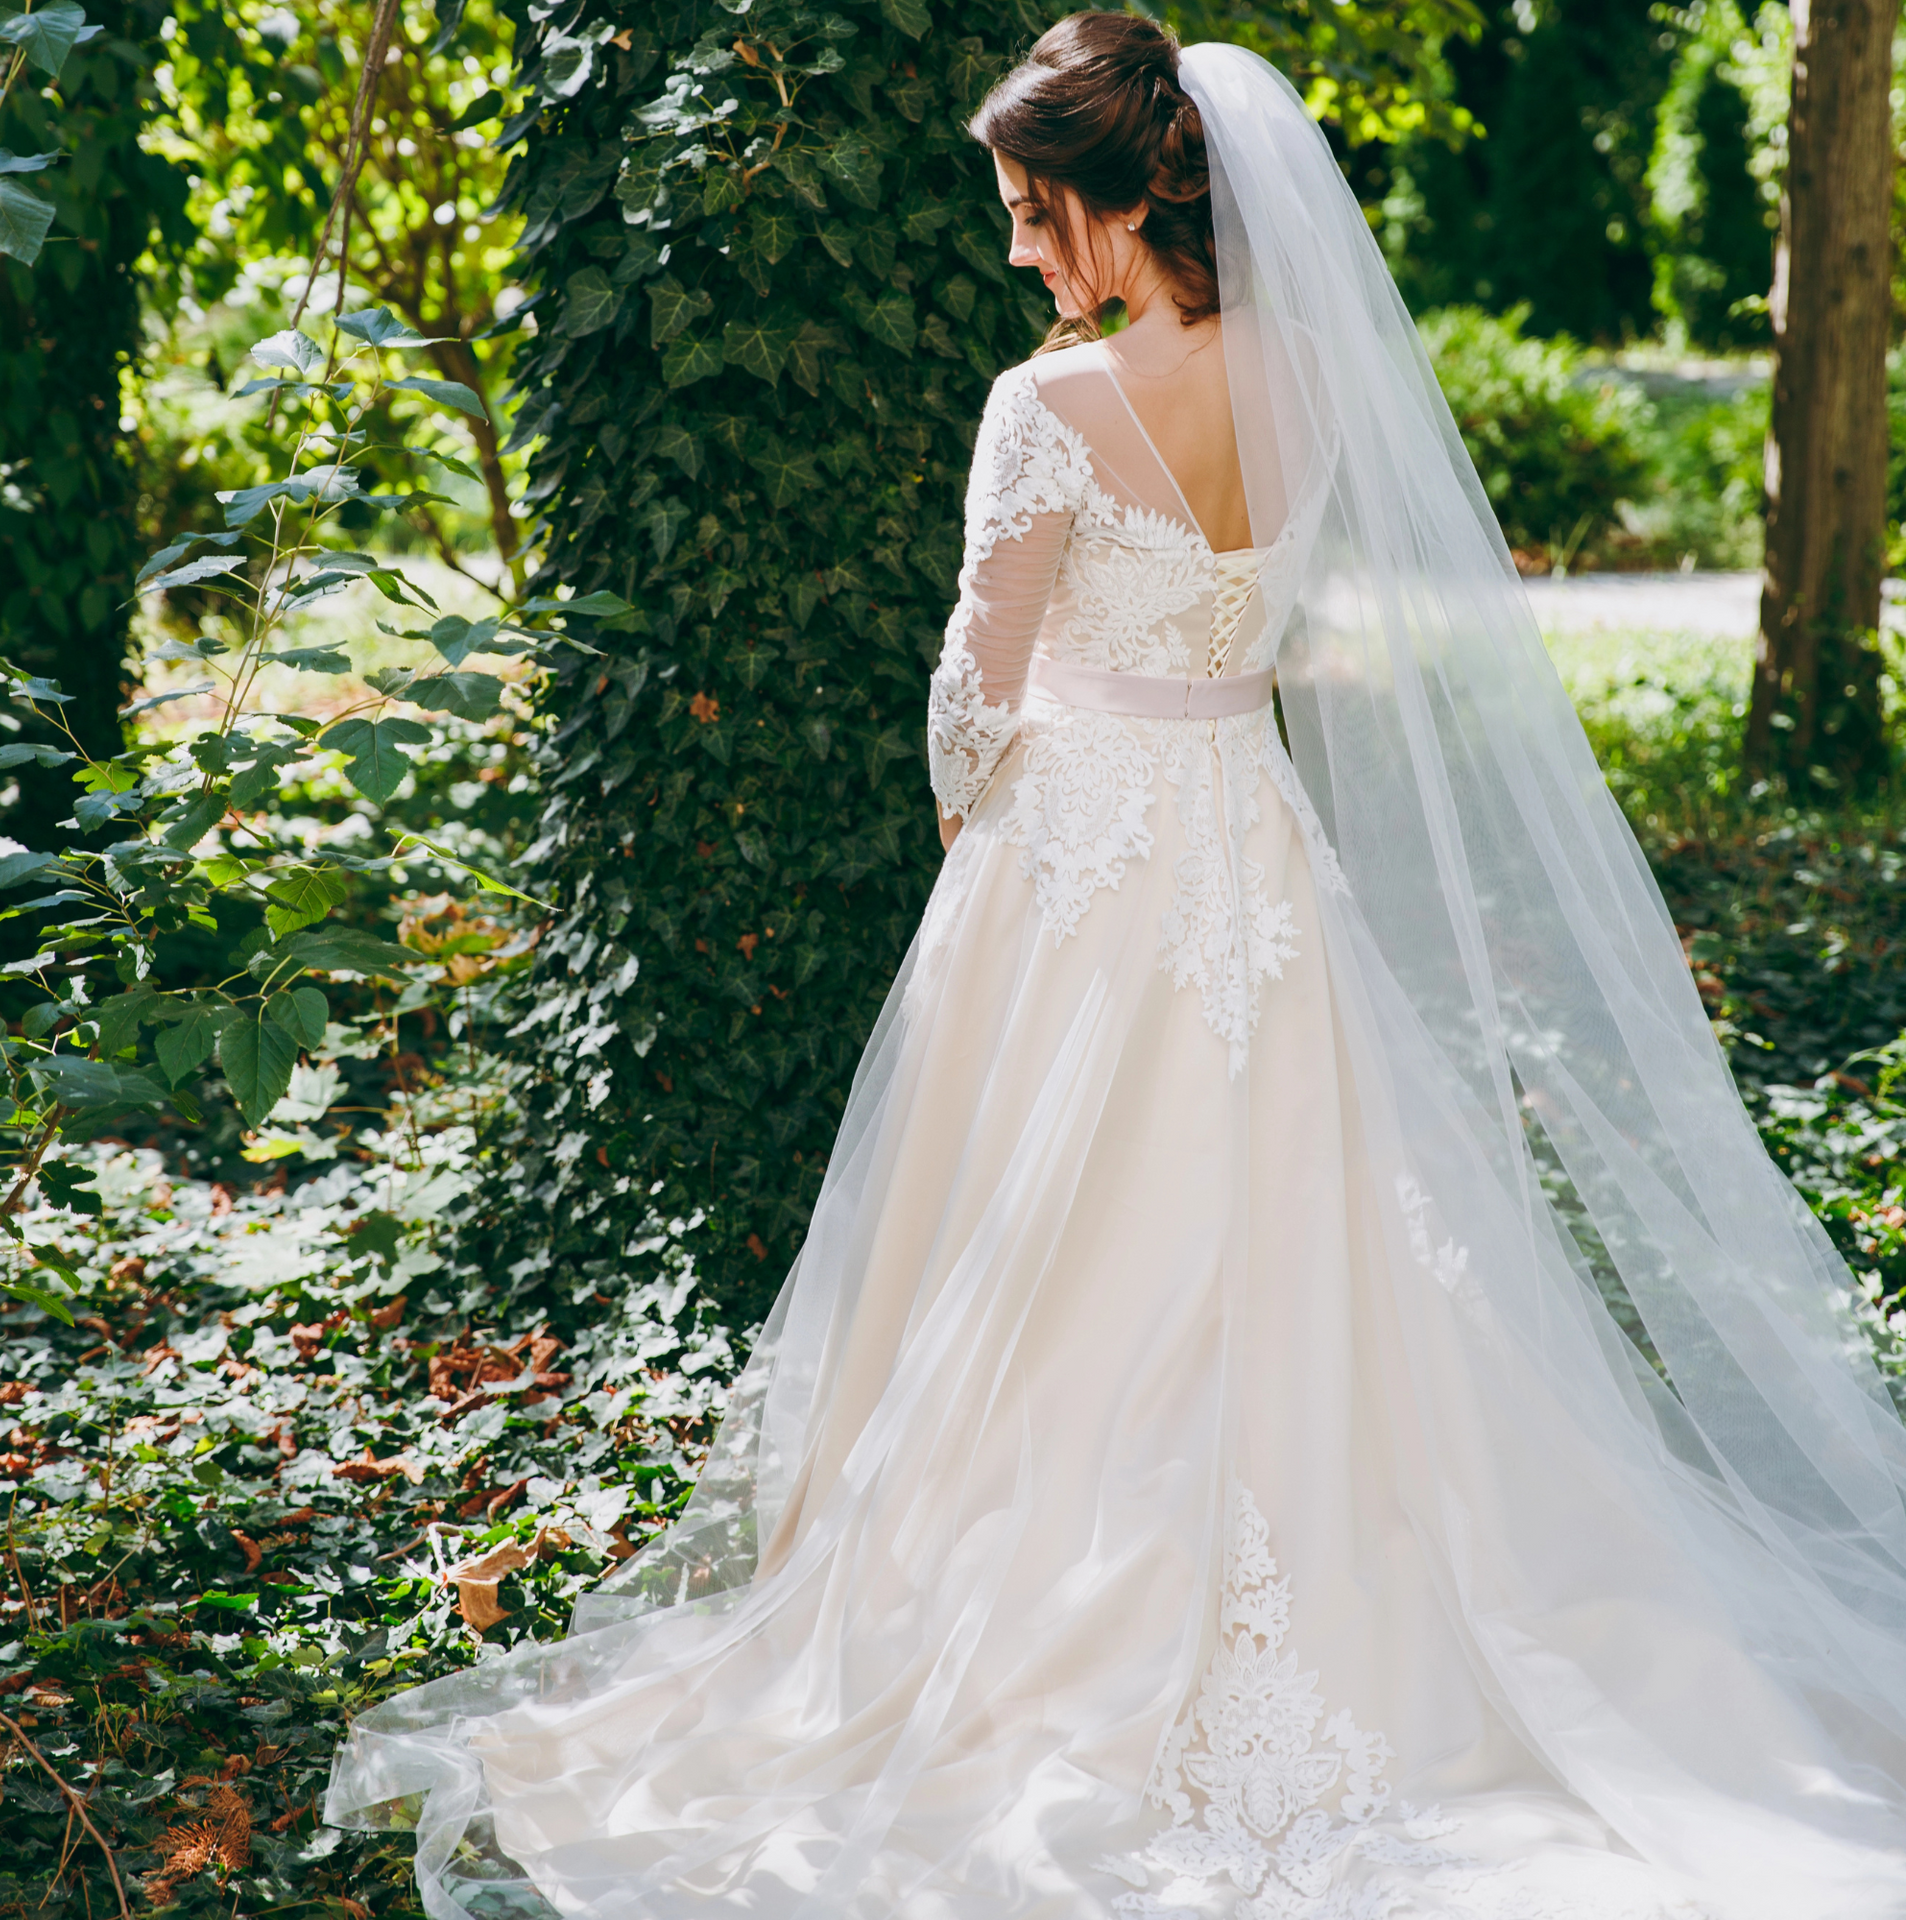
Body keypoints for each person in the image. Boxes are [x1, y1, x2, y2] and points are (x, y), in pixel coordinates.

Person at [327, 17, 1906, 1917]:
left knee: (1047, 1242)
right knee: (1301, 1236)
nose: (1011, 251)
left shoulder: (1046, 409)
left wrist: (973, 827)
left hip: (1078, 867)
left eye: (1023, 209)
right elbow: (1268, 628)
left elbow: (972, 696)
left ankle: (1040, 1621)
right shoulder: (1321, 375)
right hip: (1250, 848)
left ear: (1108, 195)